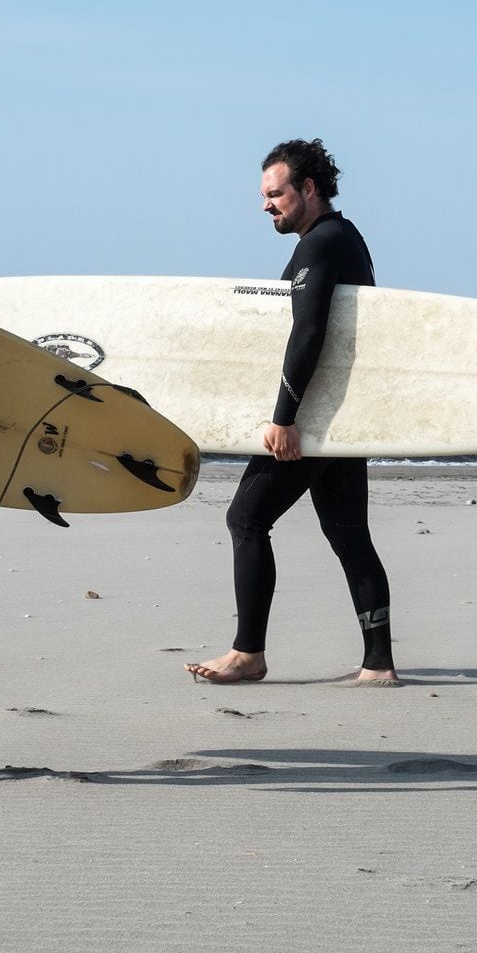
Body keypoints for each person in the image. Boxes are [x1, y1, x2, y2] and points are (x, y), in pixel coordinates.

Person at [187, 139, 398, 686]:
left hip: (315, 416)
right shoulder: (346, 238)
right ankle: (378, 664)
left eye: (275, 193)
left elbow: (308, 334)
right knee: (349, 534)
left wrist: (284, 417)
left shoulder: (321, 244)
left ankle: (247, 653)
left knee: (247, 519)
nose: (266, 205)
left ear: (308, 189)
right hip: (344, 415)